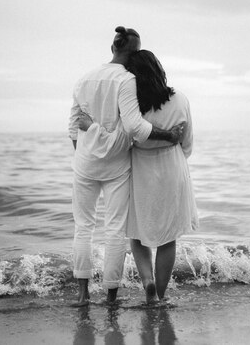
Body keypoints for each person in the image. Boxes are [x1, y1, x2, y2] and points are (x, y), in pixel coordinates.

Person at [68, 27, 184, 306]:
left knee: (83, 227)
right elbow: (134, 126)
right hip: (117, 165)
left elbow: (73, 127)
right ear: (133, 53)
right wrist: (169, 136)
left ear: (112, 47)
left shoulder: (84, 78)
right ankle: (110, 296)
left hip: (85, 163)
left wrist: (88, 151)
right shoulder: (126, 79)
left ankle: (83, 296)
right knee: (115, 229)